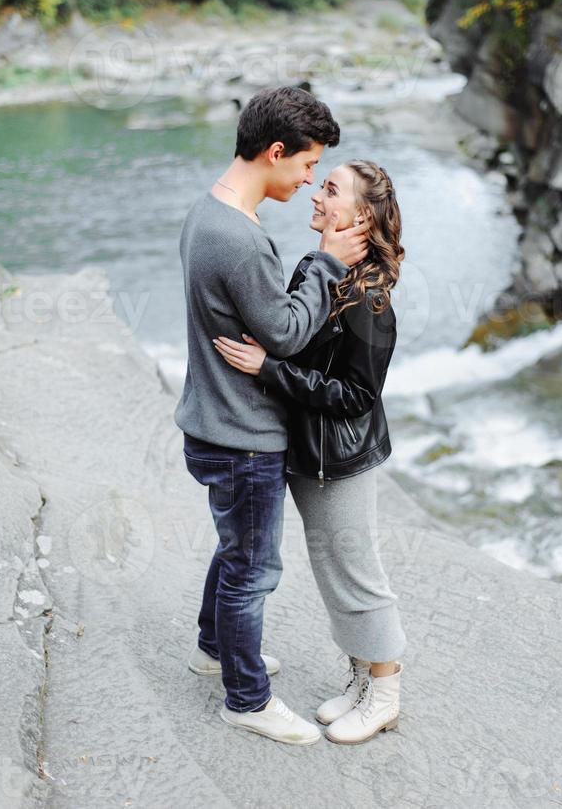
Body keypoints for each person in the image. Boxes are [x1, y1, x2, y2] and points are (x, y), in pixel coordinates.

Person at [174, 86, 369, 746]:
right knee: (253, 570)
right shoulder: (242, 239)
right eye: (308, 165)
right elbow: (286, 334)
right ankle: (247, 699)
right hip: (241, 437)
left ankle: (214, 646)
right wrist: (326, 263)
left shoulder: (206, 213)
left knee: (236, 553)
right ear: (276, 151)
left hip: (207, 423)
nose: (311, 180)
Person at [213, 158, 406, 745]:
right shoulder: (319, 267)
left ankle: (386, 694)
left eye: (329, 190)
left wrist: (270, 371)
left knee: (357, 574)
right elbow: (295, 336)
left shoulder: (370, 297)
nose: (314, 196)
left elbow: (356, 396)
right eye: (318, 184)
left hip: (339, 460)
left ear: (361, 215)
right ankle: (359, 680)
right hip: (308, 453)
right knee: (332, 571)